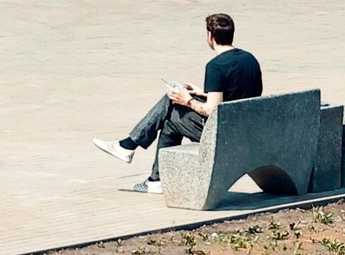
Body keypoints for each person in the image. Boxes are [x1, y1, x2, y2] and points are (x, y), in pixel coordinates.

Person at [105, 12, 263, 193]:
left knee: (172, 111)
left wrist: (188, 101)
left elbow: (212, 109)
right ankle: (148, 170)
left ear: (210, 36)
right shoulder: (249, 59)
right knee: (173, 107)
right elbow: (239, 94)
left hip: (224, 135)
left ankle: (137, 155)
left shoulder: (215, 66)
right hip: (245, 129)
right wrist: (201, 92)